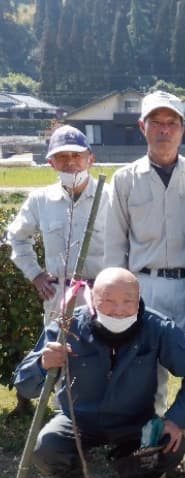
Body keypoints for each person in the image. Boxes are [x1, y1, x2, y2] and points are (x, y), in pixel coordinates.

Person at [13, 267, 185, 478]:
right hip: (79, 418)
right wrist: (42, 362)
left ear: (138, 298)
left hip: (134, 421)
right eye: (108, 301)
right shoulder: (68, 327)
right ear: (92, 299)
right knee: (45, 447)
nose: (118, 309)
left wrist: (175, 419)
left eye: (127, 301)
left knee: (171, 448)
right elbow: (25, 385)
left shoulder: (156, 327)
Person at [105, 90, 185, 478]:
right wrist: (116, 305)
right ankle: (155, 457)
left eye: (172, 123)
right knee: (148, 383)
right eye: (156, 122)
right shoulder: (124, 180)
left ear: (183, 128)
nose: (164, 130)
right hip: (143, 291)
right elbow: (115, 247)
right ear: (142, 127)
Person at [7, 124, 108, 415]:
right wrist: (35, 274)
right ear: (51, 162)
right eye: (62, 157)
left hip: (103, 297)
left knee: (105, 357)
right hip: (60, 296)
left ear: (90, 157)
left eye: (77, 155)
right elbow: (16, 237)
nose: (71, 163)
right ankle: (65, 422)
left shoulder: (111, 196)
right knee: (60, 359)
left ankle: (103, 425)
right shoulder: (41, 200)